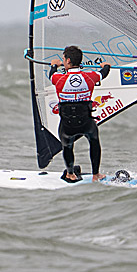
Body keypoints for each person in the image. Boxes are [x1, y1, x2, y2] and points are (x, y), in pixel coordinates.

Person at [49, 45, 112, 183]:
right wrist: (106, 65)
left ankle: (70, 174)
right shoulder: (89, 77)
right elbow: (104, 73)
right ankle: (96, 175)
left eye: (64, 59)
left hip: (67, 125)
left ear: (69, 61)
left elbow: (51, 75)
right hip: (86, 123)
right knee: (94, 141)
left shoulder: (59, 79)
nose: (63, 61)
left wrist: (54, 65)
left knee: (67, 145)